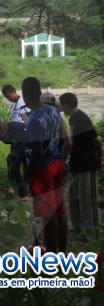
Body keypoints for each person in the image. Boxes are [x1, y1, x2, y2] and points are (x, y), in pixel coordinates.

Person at [22, 77, 68, 252]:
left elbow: (36, 152)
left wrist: (28, 175)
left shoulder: (33, 121)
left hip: (44, 170)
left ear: (25, 97)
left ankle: (51, 258)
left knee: (47, 217)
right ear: (40, 94)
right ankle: (62, 253)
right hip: (57, 164)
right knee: (60, 211)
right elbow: (63, 139)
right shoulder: (53, 111)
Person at [59, 92, 103, 238]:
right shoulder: (72, 120)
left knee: (87, 200)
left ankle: (93, 234)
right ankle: (76, 226)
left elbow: (96, 141)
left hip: (87, 165)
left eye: (61, 105)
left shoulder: (82, 119)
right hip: (75, 165)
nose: (60, 108)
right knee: (73, 198)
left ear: (66, 105)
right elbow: (72, 144)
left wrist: (100, 160)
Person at [0, 120, 29, 198]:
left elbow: (21, 143)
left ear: (3, 128)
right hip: (16, 143)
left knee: (16, 165)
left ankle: (23, 194)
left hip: (27, 139)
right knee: (11, 163)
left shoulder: (12, 128)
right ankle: (12, 186)